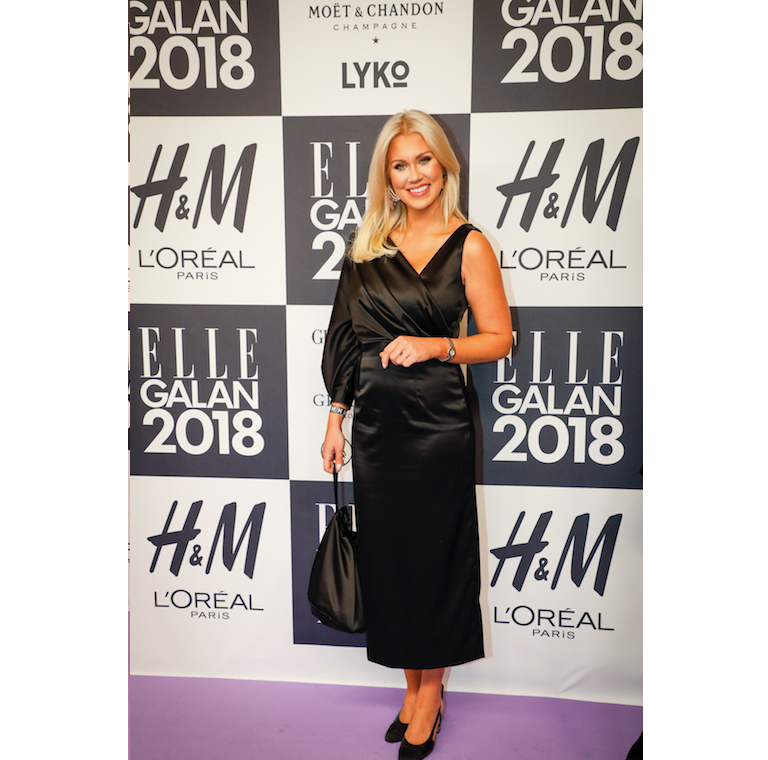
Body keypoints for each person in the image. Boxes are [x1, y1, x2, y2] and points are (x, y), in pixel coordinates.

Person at [321, 110, 513, 760]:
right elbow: (344, 337)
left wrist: (436, 346)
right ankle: (410, 687)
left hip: (438, 426)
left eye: (423, 160)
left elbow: (499, 339)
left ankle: (431, 694)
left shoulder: (470, 244)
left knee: (435, 560)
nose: (414, 175)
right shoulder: (367, 246)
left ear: (443, 164)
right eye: (400, 165)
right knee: (393, 563)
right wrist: (336, 416)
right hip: (377, 428)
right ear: (387, 176)